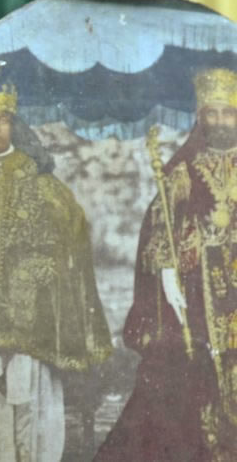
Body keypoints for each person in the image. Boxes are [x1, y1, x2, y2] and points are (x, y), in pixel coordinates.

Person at [0, 62, 111, 461]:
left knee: (29, 402)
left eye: (3, 119)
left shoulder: (41, 182)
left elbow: (71, 239)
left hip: (28, 316)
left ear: (14, 124)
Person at [97, 68, 237, 461]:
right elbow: (161, 227)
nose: (220, 121)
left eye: (228, 113)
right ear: (201, 117)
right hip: (199, 293)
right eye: (212, 113)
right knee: (195, 375)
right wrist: (169, 271)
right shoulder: (183, 170)